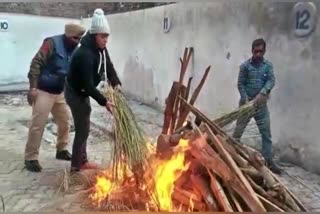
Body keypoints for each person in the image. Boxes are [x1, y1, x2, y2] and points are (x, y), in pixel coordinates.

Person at [65, 8, 121, 172]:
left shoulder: (100, 49)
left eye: (107, 36)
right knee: (83, 127)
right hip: (75, 92)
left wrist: (116, 82)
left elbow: (108, 66)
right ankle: (77, 165)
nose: (106, 40)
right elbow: (88, 86)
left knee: (85, 122)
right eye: (103, 36)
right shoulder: (84, 54)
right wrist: (105, 102)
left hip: (83, 90)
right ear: (95, 35)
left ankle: (82, 160)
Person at [24, 23, 86, 172]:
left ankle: (61, 149)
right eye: (75, 38)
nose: (77, 41)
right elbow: (35, 63)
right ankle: (30, 157)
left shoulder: (75, 50)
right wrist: (33, 88)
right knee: (38, 125)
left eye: (80, 39)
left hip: (60, 92)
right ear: (67, 36)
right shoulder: (51, 43)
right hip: (43, 90)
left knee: (65, 122)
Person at [232, 38, 281, 174]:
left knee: (266, 133)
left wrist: (263, 92)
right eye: (256, 51)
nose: (258, 54)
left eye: (261, 51)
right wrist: (245, 99)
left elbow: (271, 80)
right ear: (252, 51)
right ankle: (232, 155)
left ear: (264, 51)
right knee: (238, 132)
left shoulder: (268, 66)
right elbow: (240, 84)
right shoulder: (245, 66)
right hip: (246, 105)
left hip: (261, 105)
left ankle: (268, 161)